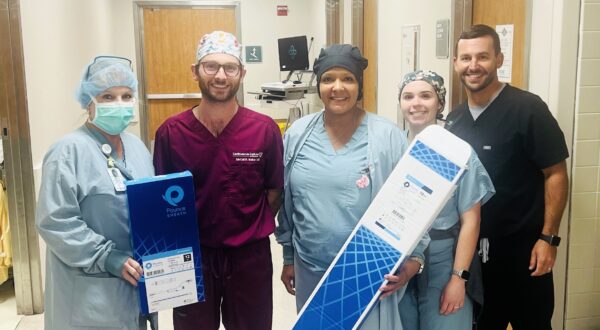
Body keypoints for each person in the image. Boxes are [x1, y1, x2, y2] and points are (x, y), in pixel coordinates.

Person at [275, 44, 428, 329]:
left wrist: (415, 258)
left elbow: (412, 200)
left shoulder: (387, 137)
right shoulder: (298, 134)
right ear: (318, 84)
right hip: (310, 266)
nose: (337, 88)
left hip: (367, 271)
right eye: (328, 79)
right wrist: (288, 256)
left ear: (360, 85)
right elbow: (288, 201)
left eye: (348, 79)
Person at [153, 31, 283, 330]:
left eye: (230, 67)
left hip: (249, 258)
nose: (221, 76)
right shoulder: (171, 133)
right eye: (211, 66)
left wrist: (244, 226)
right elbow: (161, 201)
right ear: (195, 71)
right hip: (192, 257)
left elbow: (274, 191)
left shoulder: (263, 130)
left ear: (242, 73)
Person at [446, 24, 569, 329]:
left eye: (483, 57)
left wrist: (549, 238)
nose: (473, 66)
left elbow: (555, 173)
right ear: (456, 63)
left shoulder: (527, 109)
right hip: (474, 258)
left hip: (524, 253)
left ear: (499, 59)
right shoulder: (454, 120)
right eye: (466, 58)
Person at [36, 56, 155, 329]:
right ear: (89, 102)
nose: (120, 104)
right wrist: (106, 256)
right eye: (107, 97)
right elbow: (55, 223)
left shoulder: (137, 147)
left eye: (126, 96)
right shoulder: (67, 152)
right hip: (89, 291)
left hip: (136, 283)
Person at [396, 70, 495, 329]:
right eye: (408, 96)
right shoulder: (392, 148)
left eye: (425, 96)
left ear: (440, 102)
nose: (416, 103)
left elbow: (471, 221)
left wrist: (458, 279)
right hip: (398, 260)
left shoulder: (457, 152)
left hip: (444, 261)